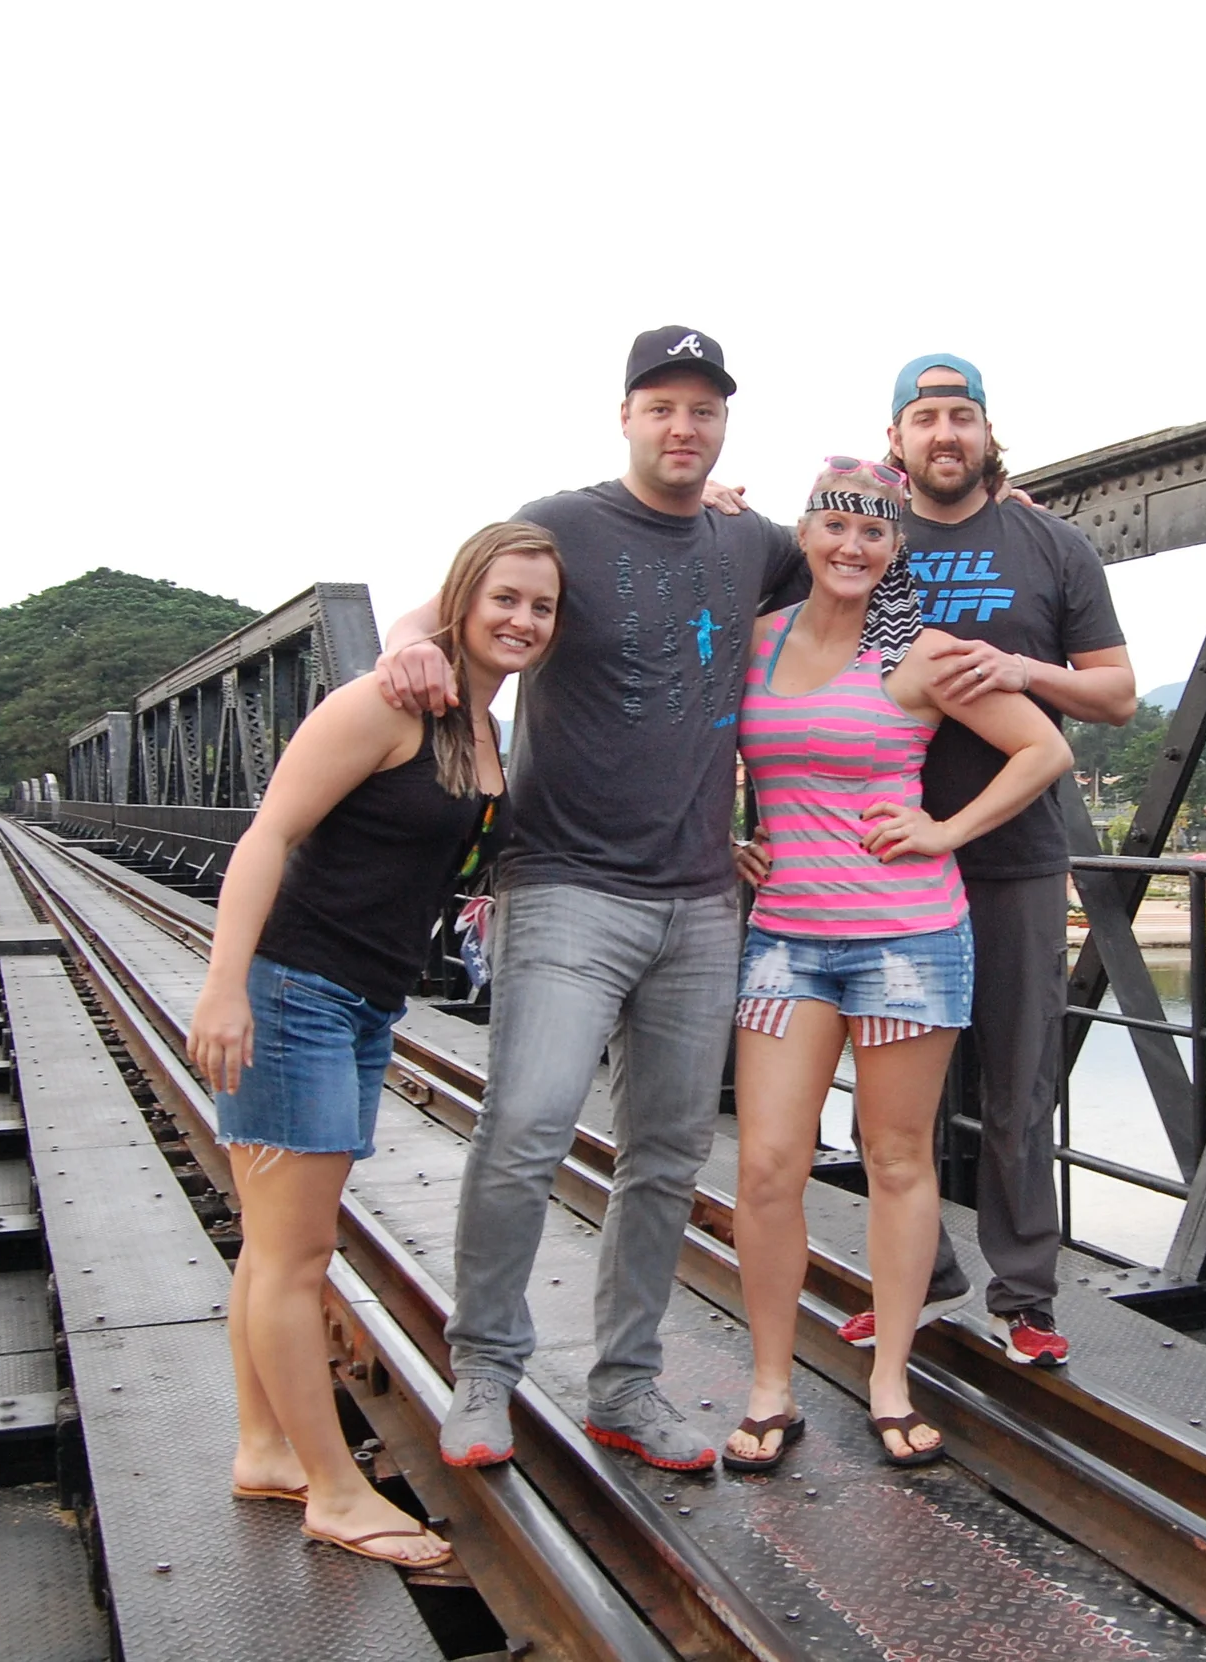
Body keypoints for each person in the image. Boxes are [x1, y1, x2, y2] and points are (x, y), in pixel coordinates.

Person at [374, 327, 804, 1473]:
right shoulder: (560, 522)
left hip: (702, 902)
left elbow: (874, 595)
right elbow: (434, 613)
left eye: (703, 411)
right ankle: (484, 1376)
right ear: (625, 415)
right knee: (524, 1130)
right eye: (662, 406)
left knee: (664, 1156)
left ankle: (626, 1386)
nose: (683, 427)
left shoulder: (753, 541)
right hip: (564, 885)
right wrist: (404, 656)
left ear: (723, 427)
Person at [187, 522, 563, 1566]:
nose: (523, 620)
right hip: (292, 990)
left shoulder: (481, 725)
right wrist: (225, 990)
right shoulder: (388, 703)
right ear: (461, 598)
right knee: (296, 1259)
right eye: (505, 600)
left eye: (541, 606)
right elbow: (268, 833)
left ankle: (265, 1447)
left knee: (277, 1247)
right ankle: (335, 1491)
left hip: (360, 1002)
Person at [722, 459, 1069, 1471]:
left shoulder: (919, 655)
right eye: (834, 525)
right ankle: (770, 1385)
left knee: (898, 1159)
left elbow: (1040, 750)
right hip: (787, 937)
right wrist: (722, 836)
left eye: (874, 532)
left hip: (907, 940)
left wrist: (943, 828)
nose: (851, 545)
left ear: (892, 551)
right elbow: (696, 740)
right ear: (806, 535)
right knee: (767, 1164)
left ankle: (890, 1378)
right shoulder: (756, 643)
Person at [854, 354, 1138, 1367]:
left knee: (1019, 1085)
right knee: (896, 1091)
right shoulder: (861, 541)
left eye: (960, 416)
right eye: (924, 416)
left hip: (1015, 857)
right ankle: (915, 1277)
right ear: (896, 439)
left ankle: (1023, 1296)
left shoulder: (1051, 546)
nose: (944, 434)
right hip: (883, 857)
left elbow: (1116, 695)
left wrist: (1025, 667)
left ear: (985, 433)